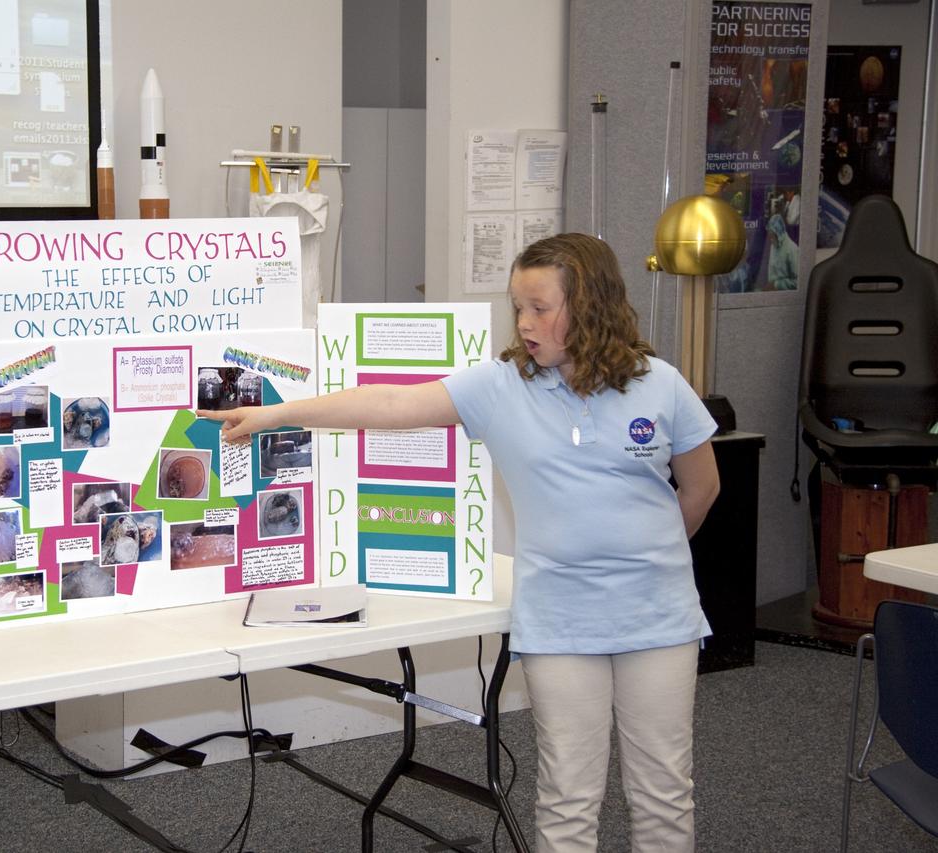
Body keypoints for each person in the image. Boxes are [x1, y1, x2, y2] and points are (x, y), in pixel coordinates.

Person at [201, 233, 720, 852]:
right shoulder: (502, 386)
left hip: (658, 617)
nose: (525, 323)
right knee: (568, 796)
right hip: (560, 621)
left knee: (663, 792)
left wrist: (643, 557)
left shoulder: (661, 384)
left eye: (540, 307)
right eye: (517, 307)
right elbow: (391, 402)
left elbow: (701, 489)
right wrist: (276, 414)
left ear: (592, 304)